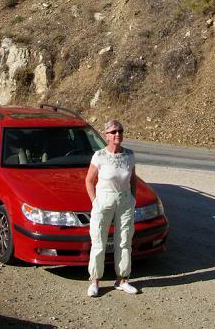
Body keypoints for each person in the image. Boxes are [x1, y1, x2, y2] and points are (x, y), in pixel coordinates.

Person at [85, 119, 138, 297]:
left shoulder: (129, 155)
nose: (118, 134)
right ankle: (95, 281)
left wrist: (132, 198)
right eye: (114, 132)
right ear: (106, 135)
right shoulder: (99, 156)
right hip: (104, 200)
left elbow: (133, 179)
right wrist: (95, 201)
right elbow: (89, 180)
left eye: (120, 131)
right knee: (98, 240)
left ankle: (122, 279)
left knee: (124, 239)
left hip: (125, 201)